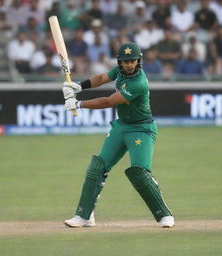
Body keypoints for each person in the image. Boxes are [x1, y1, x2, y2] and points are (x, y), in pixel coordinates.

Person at [62, 42, 174, 228]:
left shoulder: (138, 83)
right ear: (120, 62)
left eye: (132, 61)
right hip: (121, 127)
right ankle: (84, 216)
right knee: (98, 167)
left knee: (139, 172)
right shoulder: (120, 71)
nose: (129, 64)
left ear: (138, 61)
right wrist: (79, 87)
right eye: (125, 61)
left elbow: (107, 101)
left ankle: (164, 215)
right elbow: (101, 79)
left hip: (141, 129)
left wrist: (78, 104)